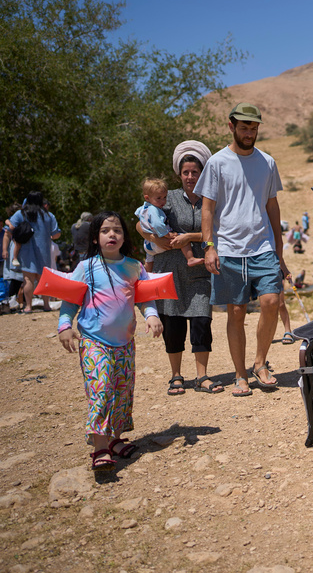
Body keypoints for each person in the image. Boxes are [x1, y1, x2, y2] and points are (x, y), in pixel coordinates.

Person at [57, 211, 163, 470]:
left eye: (117, 230)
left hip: (124, 343)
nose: (111, 234)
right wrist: (64, 325)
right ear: (95, 238)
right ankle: (100, 447)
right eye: (105, 231)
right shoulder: (85, 268)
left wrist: (152, 315)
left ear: (124, 237)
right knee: (101, 390)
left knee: (122, 393)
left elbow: (145, 298)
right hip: (94, 342)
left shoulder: (134, 267)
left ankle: (114, 440)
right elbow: (70, 301)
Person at [196, 103, 287, 397]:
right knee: (236, 311)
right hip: (229, 249)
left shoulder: (268, 162)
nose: (249, 133)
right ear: (232, 126)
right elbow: (207, 208)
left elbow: (272, 205)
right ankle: (240, 374)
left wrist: (279, 248)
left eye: (254, 127)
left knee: (271, 301)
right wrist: (209, 246)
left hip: (262, 247)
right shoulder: (217, 163)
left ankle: (260, 363)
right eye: (244, 127)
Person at [137, 141, 219, 395]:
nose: (190, 177)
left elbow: (217, 231)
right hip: (168, 270)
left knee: (201, 321)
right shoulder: (166, 196)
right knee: (172, 324)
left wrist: (190, 238)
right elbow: (141, 222)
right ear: (179, 174)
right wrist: (152, 238)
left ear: (202, 172)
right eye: (186, 172)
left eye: (195, 172)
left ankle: (202, 376)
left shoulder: (212, 199)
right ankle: (176, 376)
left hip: (199, 270)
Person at [8, 191, 61, 312]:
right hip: (44, 251)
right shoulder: (48, 216)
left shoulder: (21, 213)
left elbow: (10, 227)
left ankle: (28, 307)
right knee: (43, 280)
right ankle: (46, 305)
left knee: (28, 279)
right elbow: (56, 234)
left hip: (26, 250)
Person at [135, 177, 202, 272]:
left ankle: (147, 274)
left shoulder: (143, 208)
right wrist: (167, 234)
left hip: (148, 244)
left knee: (149, 260)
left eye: (164, 197)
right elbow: (157, 224)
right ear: (147, 197)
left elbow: (140, 219)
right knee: (182, 238)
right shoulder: (154, 210)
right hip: (158, 241)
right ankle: (190, 258)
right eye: (159, 198)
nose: (163, 201)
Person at [2, 204, 25, 310]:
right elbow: (7, 235)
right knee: (15, 277)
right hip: (15, 248)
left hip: (19, 248)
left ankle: (15, 301)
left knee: (20, 278)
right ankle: (11, 300)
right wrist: (5, 250)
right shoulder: (13, 221)